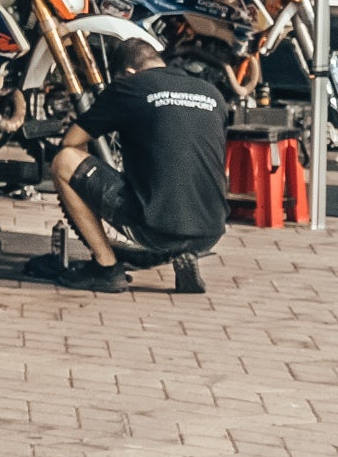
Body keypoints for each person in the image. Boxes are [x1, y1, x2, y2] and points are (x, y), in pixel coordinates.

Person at [37, 36, 227, 293]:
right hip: (211, 229)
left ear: (128, 72)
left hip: (155, 228)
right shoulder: (210, 92)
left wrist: (91, 187)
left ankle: (106, 268)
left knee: (65, 161)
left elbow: (72, 142)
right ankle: (185, 249)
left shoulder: (130, 86)